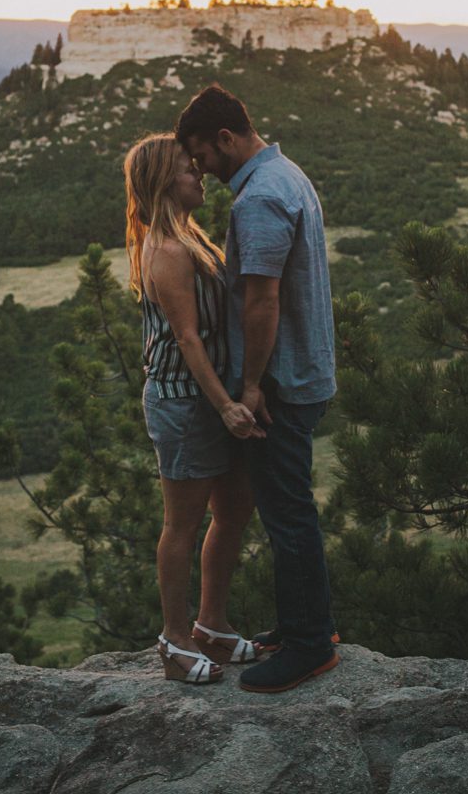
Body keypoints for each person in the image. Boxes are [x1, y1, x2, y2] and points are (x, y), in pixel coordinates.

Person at [177, 84, 341, 693]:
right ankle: (306, 625)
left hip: (280, 382)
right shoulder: (285, 174)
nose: (200, 168)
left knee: (288, 515)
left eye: (203, 155)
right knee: (287, 508)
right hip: (302, 371)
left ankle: (310, 645)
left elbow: (262, 298)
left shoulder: (259, 199)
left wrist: (248, 387)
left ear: (226, 138)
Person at [123, 133, 265, 684]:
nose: (199, 174)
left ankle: (212, 624)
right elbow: (187, 339)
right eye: (188, 169)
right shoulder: (167, 250)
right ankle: (174, 639)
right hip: (184, 403)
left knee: (234, 509)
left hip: (209, 398)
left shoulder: (191, 236)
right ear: (164, 182)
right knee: (181, 524)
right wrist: (227, 405)